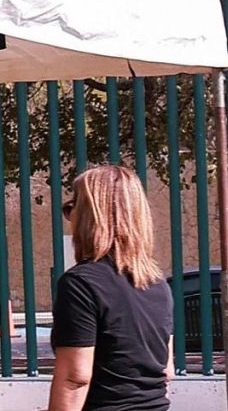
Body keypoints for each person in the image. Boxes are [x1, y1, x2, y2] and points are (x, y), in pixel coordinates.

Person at [48, 165, 173, 411]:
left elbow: (75, 377)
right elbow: (166, 370)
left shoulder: (80, 284)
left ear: (88, 216)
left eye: (72, 207)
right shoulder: (157, 283)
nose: (70, 218)